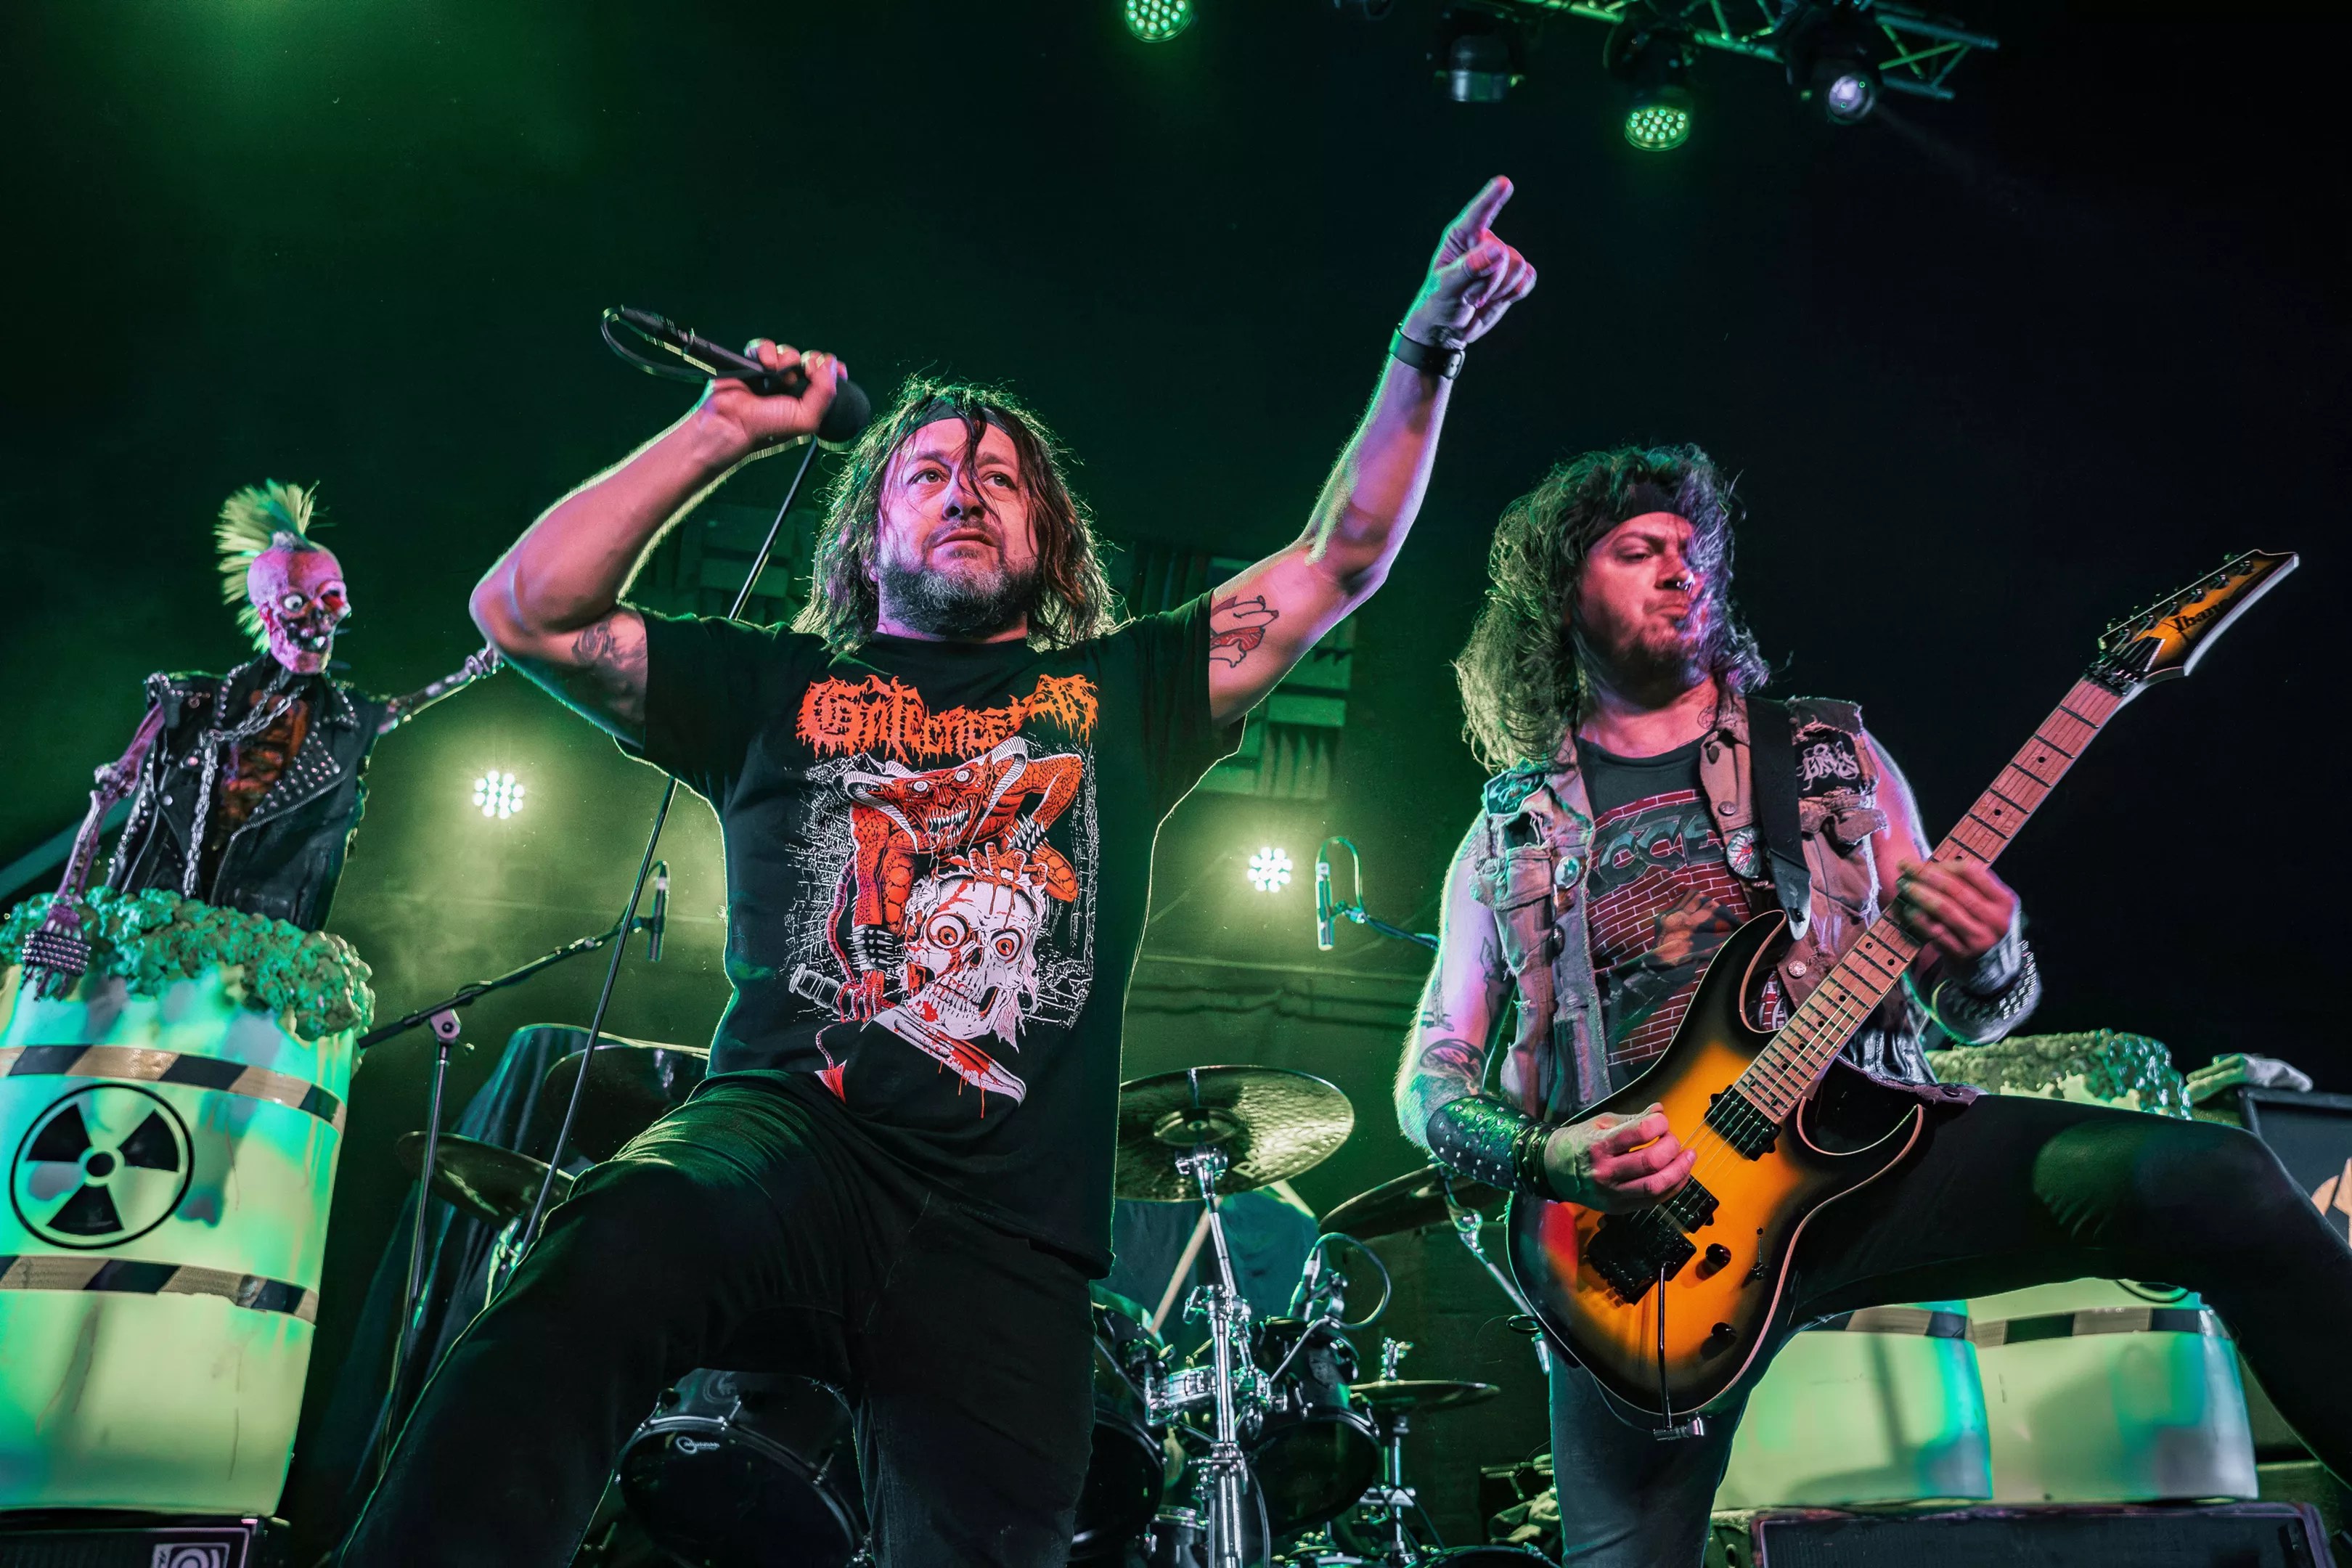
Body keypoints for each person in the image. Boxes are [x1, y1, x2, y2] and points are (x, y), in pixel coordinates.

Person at [339, 178, 1536, 1567]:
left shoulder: (1131, 691)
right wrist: (728, 428)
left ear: (1048, 539)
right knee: (608, 1244)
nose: (965, 491)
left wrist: (1427, 349)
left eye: (999, 479)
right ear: (870, 533)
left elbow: (1342, 558)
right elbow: (525, 612)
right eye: (928, 475)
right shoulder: (772, 686)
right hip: (783, 1144)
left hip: (1008, 1227)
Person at [1394, 446, 2352, 1567]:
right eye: (1638, 551)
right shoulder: (1508, 832)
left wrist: (1988, 952)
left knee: (2218, 1179)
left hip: (1883, 1154)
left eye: (1692, 551)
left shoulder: (1827, 755)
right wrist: (1549, 1156)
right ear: (1563, 592)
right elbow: (1428, 1080)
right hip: (1651, 1251)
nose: (1680, 571)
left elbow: (1969, 1014)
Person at [15, 481, 494, 994]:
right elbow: (111, 787)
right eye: (297, 602)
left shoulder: (344, 723)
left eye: (332, 599)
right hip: (147, 939)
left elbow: (400, 709)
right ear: (268, 613)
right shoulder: (189, 704)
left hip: (253, 956)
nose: (321, 618)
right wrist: (66, 904)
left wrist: (473, 670)